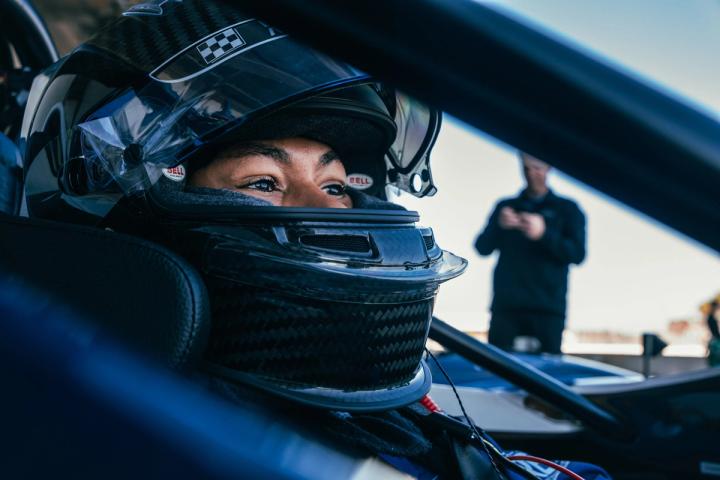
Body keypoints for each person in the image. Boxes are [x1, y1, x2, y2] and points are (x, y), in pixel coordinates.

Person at [21, 2, 610, 478]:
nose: (320, 207)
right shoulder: (133, 428)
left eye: (334, 184)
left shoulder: (378, 415)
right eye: (263, 181)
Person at [475, 152, 586, 354]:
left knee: (546, 374)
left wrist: (544, 234)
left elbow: (577, 254)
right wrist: (499, 226)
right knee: (498, 368)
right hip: (506, 308)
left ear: (548, 168)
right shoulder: (506, 207)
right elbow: (482, 248)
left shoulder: (567, 209)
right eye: (526, 168)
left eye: (537, 168)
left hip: (547, 310)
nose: (531, 174)